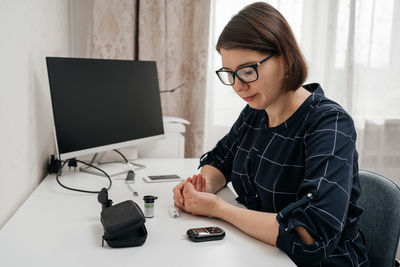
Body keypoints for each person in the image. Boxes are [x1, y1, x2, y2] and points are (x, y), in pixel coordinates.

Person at [173, 2, 368, 266]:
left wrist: (218, 209)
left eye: (247, 70)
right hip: (261, 252)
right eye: (230, 74)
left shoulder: (329, 123)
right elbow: (221, 161)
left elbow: (311, 235)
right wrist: (200, 188)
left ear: (285, 58)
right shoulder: (256, 109)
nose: (239, 86)